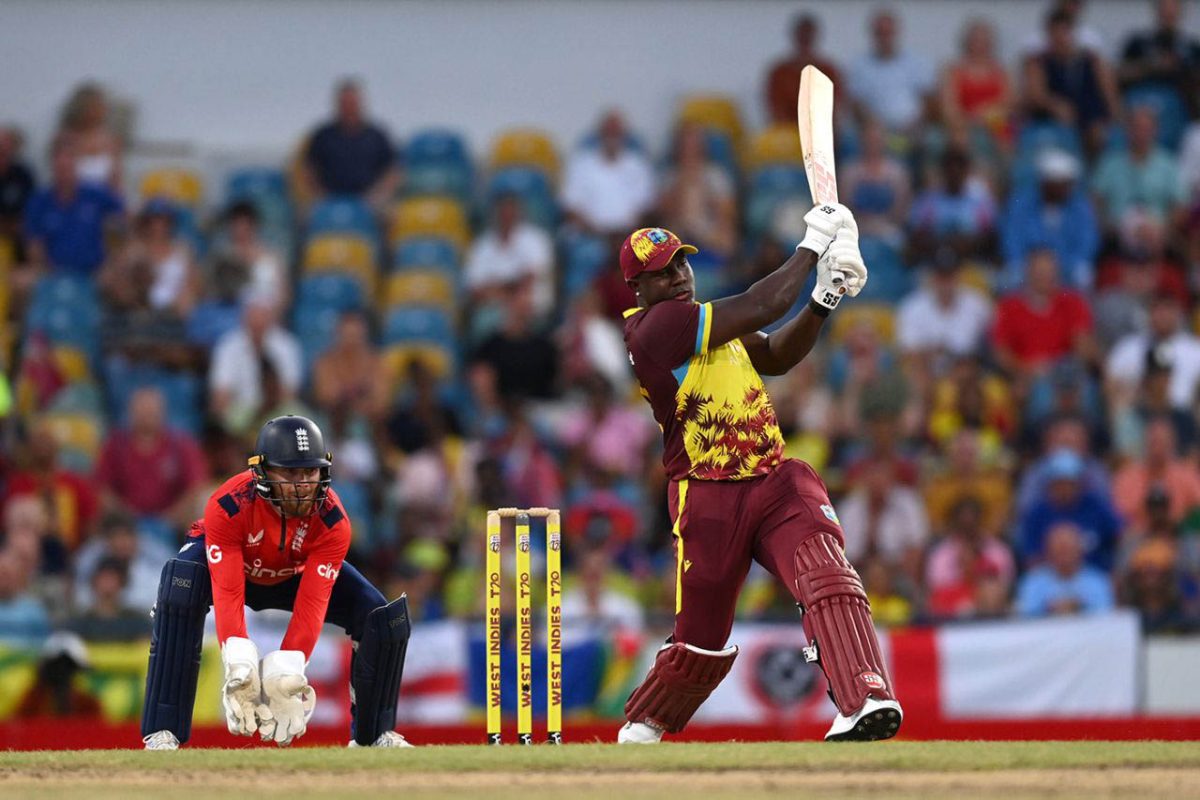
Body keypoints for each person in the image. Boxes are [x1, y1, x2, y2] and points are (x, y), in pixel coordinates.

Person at [616, 206, 901, 744]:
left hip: (773, 480)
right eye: (662, 272)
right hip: (707, 496)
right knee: (701, 640)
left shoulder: (706, 326)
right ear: (638, 288)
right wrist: (813, 244)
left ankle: (866, 699)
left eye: (682, 265)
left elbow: (774, 354)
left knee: (829, 577)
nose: (678, 278)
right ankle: (645, 722)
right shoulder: (658, 329)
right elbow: (764, 304)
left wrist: (825, 298)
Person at [140, 416, 412, 750]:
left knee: (382, 617)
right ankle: (163, 733)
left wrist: (288, 667)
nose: (302, 485)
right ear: (262, 472)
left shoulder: (334, 521)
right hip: (233, 568)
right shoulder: (228, 505)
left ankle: (373, 737)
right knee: (180, 586)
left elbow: (313, 602)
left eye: (310, 472)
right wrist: (239, 660)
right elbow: (227, 591)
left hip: (293, 574)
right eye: (290, 473)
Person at [303, 79, 400, 209]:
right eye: (345, 103)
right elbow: (308, 169)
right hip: (329, 200)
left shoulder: (377, 136)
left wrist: (378, 196)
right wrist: (320, 196)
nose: (349, 108)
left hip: (370, 201)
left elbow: (393, 171)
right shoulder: (323, 136)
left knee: (391, 215)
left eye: (352, 103)